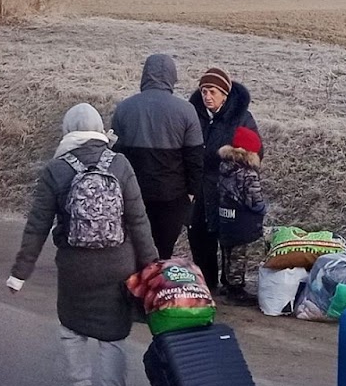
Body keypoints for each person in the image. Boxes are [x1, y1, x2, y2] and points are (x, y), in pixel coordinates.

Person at [7, 103, 157, 386]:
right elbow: (138, 221)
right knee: (114, 339)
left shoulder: (56, 170)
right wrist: (151, 271)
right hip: (119, 264)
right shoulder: (120, 164)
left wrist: (20, 273)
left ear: (68, 130)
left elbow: (37, 226)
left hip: (76, 269)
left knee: (73, 332)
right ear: (99, 129)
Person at [110, 54, 203, 260]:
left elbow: (114, 156)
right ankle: (157, 288)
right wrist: (192, 193)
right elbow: (195, 159)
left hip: (132, 193)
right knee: (163, 251)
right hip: (172, 196)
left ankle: (132, 288)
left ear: (145, 75)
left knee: (133, 248)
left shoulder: (124, 108)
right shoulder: (186, 111)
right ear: (173, 76)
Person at [187, 67, 260, 289]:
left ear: (225, 95)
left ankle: (232, 286)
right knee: (199, 238)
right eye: (204, 92)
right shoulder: (192, 114)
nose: (207, 97)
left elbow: (255, 153)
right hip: (198, 189)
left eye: (212, 92)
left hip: (229, 191)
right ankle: (206, 285)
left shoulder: (242, 118)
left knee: (231, 241)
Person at [216, 125, 267, 304]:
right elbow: (254, 199)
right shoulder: (248, 173)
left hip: (225, 217)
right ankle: (236, 290)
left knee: (227, 251)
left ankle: (227, 282)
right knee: (239, 254)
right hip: (242, 220)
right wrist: (262, 209)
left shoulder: (224, 167)